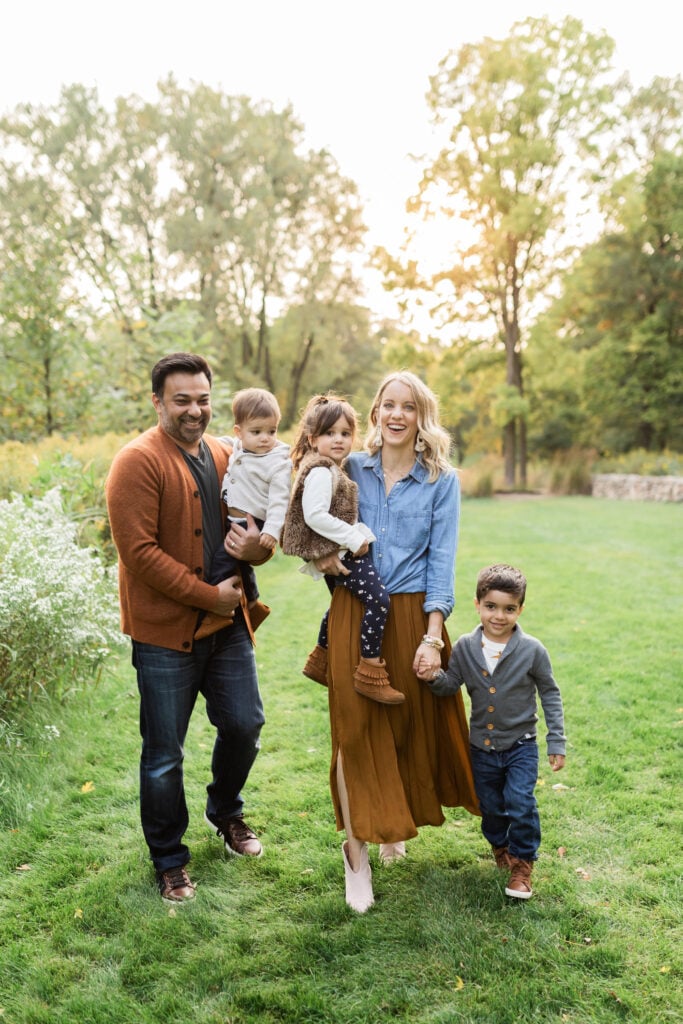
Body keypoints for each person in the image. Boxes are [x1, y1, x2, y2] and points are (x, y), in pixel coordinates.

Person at [105, 352, 271, 904]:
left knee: (245, 724)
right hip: (165, 637)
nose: (195, 410)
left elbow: (255, 525)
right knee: (163, 754)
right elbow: (140, 554)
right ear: (157, 401)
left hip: (226, 629)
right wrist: (209, 597)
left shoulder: (227, 453)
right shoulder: (137, 462)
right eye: (182, 400)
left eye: (203, 399)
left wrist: (259, 548)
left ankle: (225, 813)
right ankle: (170, 861)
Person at [313, 371, 479, 913]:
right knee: (353, 729)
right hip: (354, 611)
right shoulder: (347, 466)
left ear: (421, 415)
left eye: (408, 406)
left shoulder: (440, 480)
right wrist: (320, 557)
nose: (396, 415)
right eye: (387, 404)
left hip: (410, 613)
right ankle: (355, 853)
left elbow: (442, 561)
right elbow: (307, 515)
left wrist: (433, 637)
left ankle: (391, 825)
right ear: (376, 412)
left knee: (406, 724)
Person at [418, 564, 566, 899]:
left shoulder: (532, 650)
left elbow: (550, 694)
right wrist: (431, 677)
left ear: (520, 609)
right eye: (491, 607)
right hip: (482, 747)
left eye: (509, 609)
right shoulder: (466, 646)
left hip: (521, 745)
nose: (499, 616)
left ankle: (523, 864)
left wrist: (556, 739)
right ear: (478, 604)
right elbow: (450, 685)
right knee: (491, 807)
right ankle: (501, 847)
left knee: (520, 801)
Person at [281, 394, 404, 704]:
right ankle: (370, 671)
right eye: (329, 433)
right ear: (312, 438)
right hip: (342, 553)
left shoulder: (331, 467)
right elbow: (315, 515)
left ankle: (320, 660)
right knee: (378, 601)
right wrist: (353, 538)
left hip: (336, 551)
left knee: (340, 603)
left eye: (345, 433)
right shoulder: (322, 471)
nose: (339, 440)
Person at [196, 387, 291, 640]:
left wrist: (271, 530)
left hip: (253, 521)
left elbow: (280, 501)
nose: (265, 438)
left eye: (272, 431)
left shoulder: (277, 462)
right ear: (239, 432)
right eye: (257, 432)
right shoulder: (238, 446)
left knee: (222, 561)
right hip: (236, 519)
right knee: (241, 562)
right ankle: (253, 603)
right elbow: (222, 443)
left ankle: (219, 613)